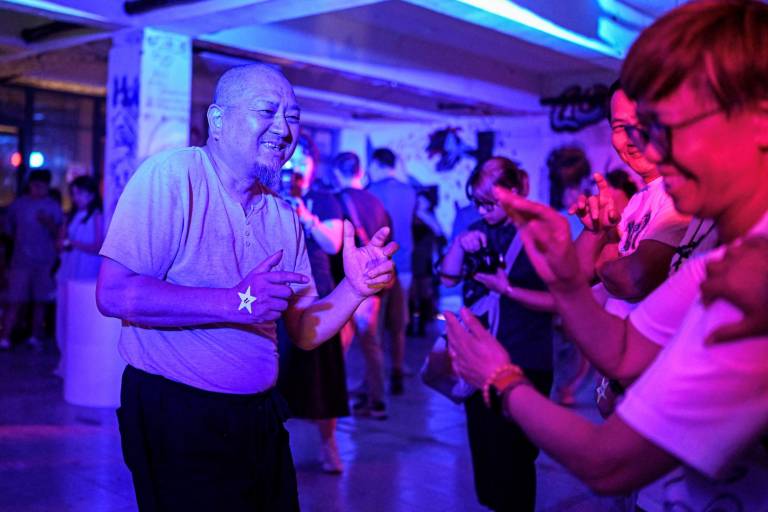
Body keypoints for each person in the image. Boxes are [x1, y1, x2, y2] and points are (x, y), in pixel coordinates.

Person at [448, 1, 768, 509]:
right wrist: (566, 278)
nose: (653, 151)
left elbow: (609, 462)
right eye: (641, 128)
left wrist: (500, 377)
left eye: (672, 124)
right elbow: (623, 348)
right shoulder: (728, 257)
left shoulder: (756, 273)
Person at [96, 64, 397, 511]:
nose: (283, 128)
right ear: (217, 121)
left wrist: (353, 290)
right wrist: (236, 301)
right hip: (179, 415)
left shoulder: (281, 213)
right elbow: (115, 294)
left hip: (260, 415)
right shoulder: (173, 176)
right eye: (267, 111)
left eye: (292, 117)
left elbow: (304, 330)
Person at [440, 156, 553, 512]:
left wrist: (507, 290)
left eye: (490, 202)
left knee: (516, 458)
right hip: (479, 359)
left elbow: (562, 302)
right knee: (485, 453)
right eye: (477, 202)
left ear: (517, 191)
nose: (483, 210)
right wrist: (459, 244)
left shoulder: (543, 233)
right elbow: (447, 278)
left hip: (525, 357)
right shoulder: (477, 228)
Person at [276, 157, 349, 474]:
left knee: (323, 379)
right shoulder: (268, 194)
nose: (295, 168)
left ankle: (328, 444)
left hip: (316, 294)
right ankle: (274, 447)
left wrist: (306, 216)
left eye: (302, 160)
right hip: (279, 296)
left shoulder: (323, 199)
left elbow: (333, 244)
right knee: (277, 376)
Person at [330, 151, 393, 419]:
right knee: (371, 345)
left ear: (336, 172)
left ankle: (331, 402)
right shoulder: (377, 203)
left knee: (338, 346)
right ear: (360, 171)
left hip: (347, 285)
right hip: (373, 285)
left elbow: (333, 247)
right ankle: (377, 402)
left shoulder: (336, 201)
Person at [366, 148, 417, 394]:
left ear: (377, 164)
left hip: (379, 265)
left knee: (374, 326)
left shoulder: (371, 193)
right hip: (405, 264)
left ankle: (373, 381)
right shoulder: (410, 192)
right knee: (398, 323)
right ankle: (397, 369)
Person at [0, 169, 63, 351]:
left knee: (40, 300)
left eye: (43, 185)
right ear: (30, 184)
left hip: (44, 261)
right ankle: (5, 337)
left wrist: (48, 223)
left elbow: (59, 233)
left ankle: (35, 336)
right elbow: (7, 229)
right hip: (20, 261)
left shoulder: (53, 206)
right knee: (15, 299)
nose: (39, 188)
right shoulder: (19, 205)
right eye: (36, 184)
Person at [54, 175, 104, 375]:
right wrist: (62, 241)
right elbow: (61, 242)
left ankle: (79, 364)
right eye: (73, 194)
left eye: (79, 193)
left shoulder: (97, 215)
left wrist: (73, 244)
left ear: (91, 194)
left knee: (80, 316)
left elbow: (98, 246)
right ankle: (65, 360)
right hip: (69, 268)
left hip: (86, 271)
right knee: (64, 315)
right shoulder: (73, 215)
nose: (76, 198)